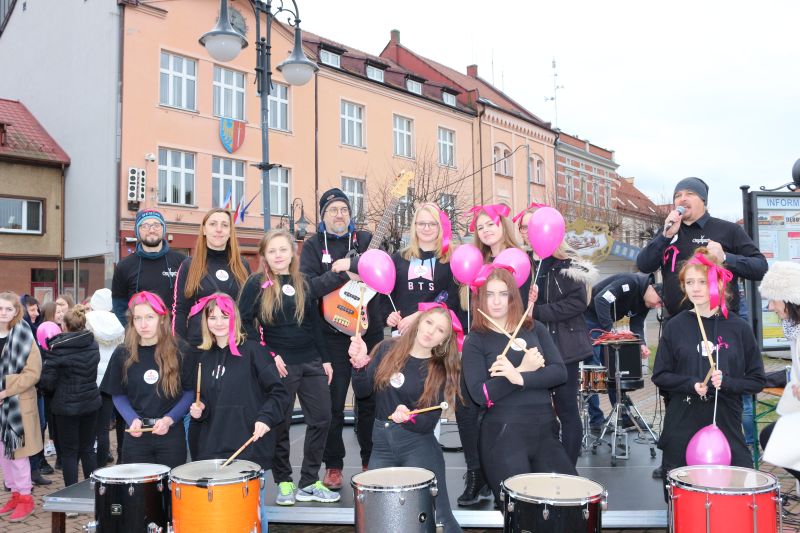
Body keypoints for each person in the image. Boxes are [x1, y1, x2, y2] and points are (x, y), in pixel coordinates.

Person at [652, 248, 765, 498]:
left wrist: (728, 382)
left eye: (702, 282)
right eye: (689, 282)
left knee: (736, 491)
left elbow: (757, 380)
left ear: (718, 283)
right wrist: (690, 384)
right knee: (680, 496)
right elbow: (660, 375)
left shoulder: (739, 328)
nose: (695, 288)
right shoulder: (675, 326)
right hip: (682, 421)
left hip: (726, 421)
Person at [238, 229, 337, 506]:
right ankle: (284, 481)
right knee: (280, 425)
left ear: (293, 252)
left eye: (283, 249)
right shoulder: (256, 283)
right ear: (264, 255)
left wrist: (325, 359)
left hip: (311, 361)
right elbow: (243, 322)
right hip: (280, 366)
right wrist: (269, 354)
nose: (278, 255)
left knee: (322, 419)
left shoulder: (303, 281)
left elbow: (314, 324)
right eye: (272, 251)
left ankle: (309, 482)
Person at [461, 267, 576, 506]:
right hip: (503, 434)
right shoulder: (476, 340)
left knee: (569, 503)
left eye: (503, 294)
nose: (496, 301)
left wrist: (520, 378)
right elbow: (481, 394)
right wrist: (522, 370)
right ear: (481, 299)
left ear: (512, 297)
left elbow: (559, 373)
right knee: (521, 511)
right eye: (490, 294)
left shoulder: (535, 329)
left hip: (545, 430)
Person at [350, 304, 464, 533]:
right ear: (419, 322)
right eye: (429, 322)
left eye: (440, 330)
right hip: (381, 445)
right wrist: (360, 362)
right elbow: (362, 392)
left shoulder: (438, 369)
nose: (431, 331)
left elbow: (427, 422)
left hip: (418, 447)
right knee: (376, 518)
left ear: (444, 340)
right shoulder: (387, 348)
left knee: (439, 518)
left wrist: (408, 415)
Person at [299, 188, 382, 489]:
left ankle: (371, 459)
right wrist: (344, 274)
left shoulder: (367, 240)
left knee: (370, 400)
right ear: (323, 215)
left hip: (368, 332)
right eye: (333, 210)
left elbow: (384, 271)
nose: (339, 214)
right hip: (331, 336)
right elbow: (308, 288)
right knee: (332, 404)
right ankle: (333, 465)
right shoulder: (312, 246)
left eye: (344, 209)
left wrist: (358, 265)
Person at [188, 293, 289, 531]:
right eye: (213, 317)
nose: (219, 322)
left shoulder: (254, 351)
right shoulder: (202, 357)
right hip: (213, 451)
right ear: (205, 321)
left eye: (225, 316)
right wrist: (199, 411)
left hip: (248, 450)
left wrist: (265, 418)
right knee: (219, 518)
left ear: (235, 318)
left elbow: (279, 392)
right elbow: (208, 404)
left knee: (250, 515)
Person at [636, 177, 767, 318]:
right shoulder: (668, 231)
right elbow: (644, 265)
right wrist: (665, 236)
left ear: (703, 200)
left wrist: (725, 257)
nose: (682, 199)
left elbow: (760, 268)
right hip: (676, 322)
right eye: (678, 196)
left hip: (720, 321)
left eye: (690, 194)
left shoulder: (728, 230)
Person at [103, 292, 192, 468]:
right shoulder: (123, 353)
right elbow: (118, 394)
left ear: (161, 318)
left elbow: (189, 392)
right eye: (138, 318)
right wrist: (132, 419)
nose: (143, 324)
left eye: (149, 317)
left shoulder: (180, 350)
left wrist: (169, 419)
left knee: (171, 484)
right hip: (136, 436)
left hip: (171, 435)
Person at [531, 240, 598, 465]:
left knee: (566, 408)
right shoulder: (525, 263)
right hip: (534, 345)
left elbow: (578, 303)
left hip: (565, 347)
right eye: (523, 228)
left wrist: (538, 312)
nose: (528, 233)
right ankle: (545, 462)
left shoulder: (569, 265)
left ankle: (569, 469)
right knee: (539, 410)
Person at [583, 273, 663, 428]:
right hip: (590, 319)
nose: (657, 306)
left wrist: (641, 344)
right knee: (594, 368)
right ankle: (596, 420)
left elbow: (637, 324)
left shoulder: (645, 302)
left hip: (605, 324)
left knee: (614, 369)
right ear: (653, 289)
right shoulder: (629, 283)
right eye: (659, 302)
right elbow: (601, 300)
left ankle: (624, 417)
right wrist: (610, 332)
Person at [39, 304, 101, 487]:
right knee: (87, 449)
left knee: (69, 452)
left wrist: (52, 392)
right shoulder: (93, 344)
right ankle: (93, 490)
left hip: (66, 407)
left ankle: (71, 493)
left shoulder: (57, 349)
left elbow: (47, 383)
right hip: (90, 402)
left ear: (64, 326)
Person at [173, 208, 250, 345]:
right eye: (213, 224)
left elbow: (249, 310)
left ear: (230, 232)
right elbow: (180, 310)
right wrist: (180, 346)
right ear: (204, 230)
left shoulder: (242, 265)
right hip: (199, 344)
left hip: (234, 343)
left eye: (224, 225)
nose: (218, 229)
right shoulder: (189, 265)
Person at [383, 202, 461, 334]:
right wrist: (389, 316)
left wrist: (419, 315)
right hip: (402, 333)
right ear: (415, 226)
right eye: (421, 223)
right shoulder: (398, 258)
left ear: (440, 226)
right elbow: (386, 298)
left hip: (435, 334)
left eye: (432, 224)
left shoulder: (450, 260)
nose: (426, 228)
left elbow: (452, 301)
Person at [0, 292, 43, 522]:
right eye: (0, 308)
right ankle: (15, 494)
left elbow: (33, 373)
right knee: (3, 454)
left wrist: (5, 391)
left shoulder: (24, 334)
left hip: (17, 403)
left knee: (18, 454)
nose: (3, 313)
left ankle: (26, 497)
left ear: (17, 311)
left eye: (8, 309)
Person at [755, 261, 800, 483]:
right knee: (771, 437)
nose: (770, 307)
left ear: (790, 298)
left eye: (774, 299)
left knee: (772, 437)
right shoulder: (794, 330)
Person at [111, 209, 186, 326]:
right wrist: (132, 329)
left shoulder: (182, 262)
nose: (151, 230)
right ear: (137, 231)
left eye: (156, 225)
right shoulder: (124, 266)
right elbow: (119, 306)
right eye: (145, 226)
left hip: (174, 334)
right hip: (140, 333)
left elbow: (190, 300)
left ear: (163, 229)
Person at [86, 288, 125, 468]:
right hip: (115, 377)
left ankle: (100, 464)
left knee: (101, 427)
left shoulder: (87, 320)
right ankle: (122, 457)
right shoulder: (120, 322)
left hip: (94, 380)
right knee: (122, 420)